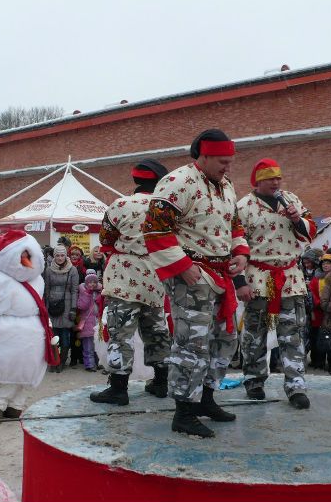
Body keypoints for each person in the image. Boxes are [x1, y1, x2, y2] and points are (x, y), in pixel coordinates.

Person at [142, 128, 250, 438]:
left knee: (223, 341)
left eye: (230, 161)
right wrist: (182, 266)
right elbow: (154, 229)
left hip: (220, 275)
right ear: (203, 156)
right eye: (222, 161)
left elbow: (235, 225)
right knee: (192, 344)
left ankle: (206, 399)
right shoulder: (177, 183)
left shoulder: (226, 186)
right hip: (192, 276)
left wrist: (240, 253)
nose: (228, 167)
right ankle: (184, 412)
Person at [90, 159, 173, 405]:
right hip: (156, 277)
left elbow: (106, 238)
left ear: (136, 180)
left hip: (124, 278)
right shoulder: (165, 208)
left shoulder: (119, 205)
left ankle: (118, 389)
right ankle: (160, 382)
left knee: (121, 334)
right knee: (157, 331)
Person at [235, 158, 316, 409]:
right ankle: (254, 381)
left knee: (292, 334)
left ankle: (296, 386)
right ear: (257, 180)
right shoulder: (244, 207)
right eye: (270, 178)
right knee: (254, 334)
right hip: (258, 277)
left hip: (289, 278)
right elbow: (234, 245)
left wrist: (296, 219)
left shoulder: (291, 200)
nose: (276, 182)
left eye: (278, 178)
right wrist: (239, 282)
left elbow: (310, 231)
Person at [0, 231, 58, 425]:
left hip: (33, 331)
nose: (25, 261)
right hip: (7, 331)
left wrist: (48, 328)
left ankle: (15, 406)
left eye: (28, 256)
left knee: (27, 372)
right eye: (21, 256)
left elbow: (40, 307)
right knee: (11, 373)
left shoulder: (38, 280)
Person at [43, 245, 79, 372]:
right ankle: (54, 361)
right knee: (53, 336)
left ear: (66, 255)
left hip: (67, 305)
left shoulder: (72, 270)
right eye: (57, 255)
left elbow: (75, 291)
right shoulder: (48, 270)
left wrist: (74, 308)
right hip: (52, 306)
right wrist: (45, 308)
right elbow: (46, 290)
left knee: (64, 336)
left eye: (62, 255)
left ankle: (62, 361)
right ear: (54, 256)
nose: (59, 258)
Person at [76, 271, 101, 372]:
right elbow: (82, 306)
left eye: (94, 282)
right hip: (87, 322)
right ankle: (89, 364)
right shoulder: (83, 292)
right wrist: (87, 294)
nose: (92, 284)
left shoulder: (99, 292)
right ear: (86, 283)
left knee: (98, 345)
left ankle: (98, 362)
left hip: (98, 321)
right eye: (90, 282)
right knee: (88, 345)